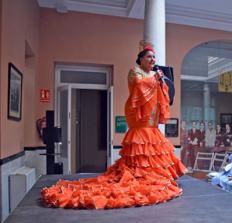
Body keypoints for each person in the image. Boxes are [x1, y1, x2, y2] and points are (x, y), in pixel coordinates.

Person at [41, 46, 186, 209]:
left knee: (151, 145)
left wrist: (160, 81)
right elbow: (139, 85)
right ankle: (139, 175)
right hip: (137, 114)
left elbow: (165, 91)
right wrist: (155, 79)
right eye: (149, 57)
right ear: (141, 59)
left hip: (151, 115)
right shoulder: (135, 71)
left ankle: (151, 175)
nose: (153, 60)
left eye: (154, 57)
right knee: (140, 144)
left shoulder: (155, 74)